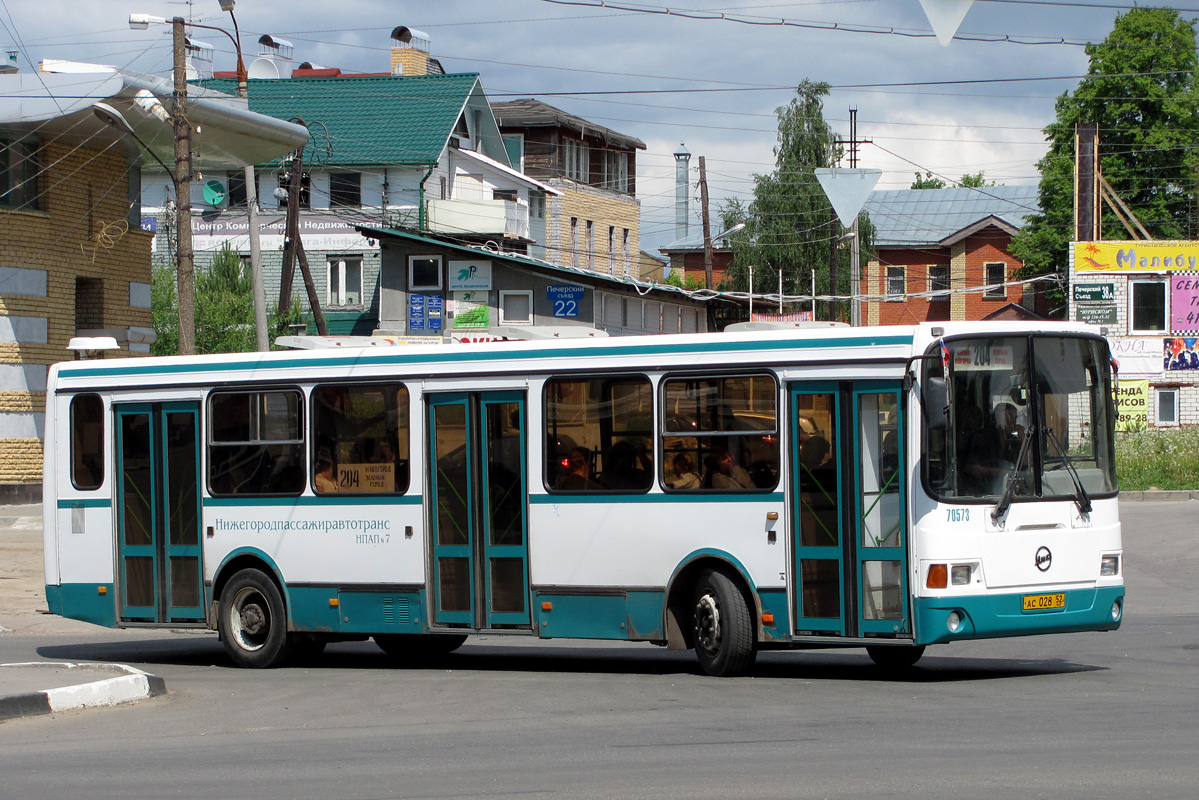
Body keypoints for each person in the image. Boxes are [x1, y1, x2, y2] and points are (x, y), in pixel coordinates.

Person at [964, 402, 1024, 494]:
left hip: (1009, 492)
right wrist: (998, 472)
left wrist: (1023, 438)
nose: (1012, 421)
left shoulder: (1013, 441)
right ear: (999, 418)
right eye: (1008, 417)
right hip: (981, 492)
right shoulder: (980, 437)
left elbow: (1025, 464)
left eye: (1014, 418)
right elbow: (970, 467)